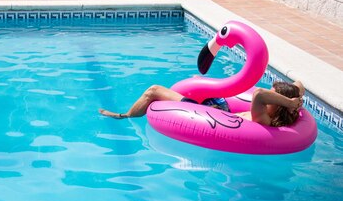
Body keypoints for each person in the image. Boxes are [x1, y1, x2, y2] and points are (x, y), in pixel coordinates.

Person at [99, 80, 305, 127]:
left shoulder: (264, 118)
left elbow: (259, 94)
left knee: (153, 91)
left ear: (278, 104)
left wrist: (289, 101)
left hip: (205, 116)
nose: (270, 93)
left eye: (274, 95)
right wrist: (296, 100)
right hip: (218, 110)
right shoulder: (272, 111)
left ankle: (124, 116)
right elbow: (299, 85)